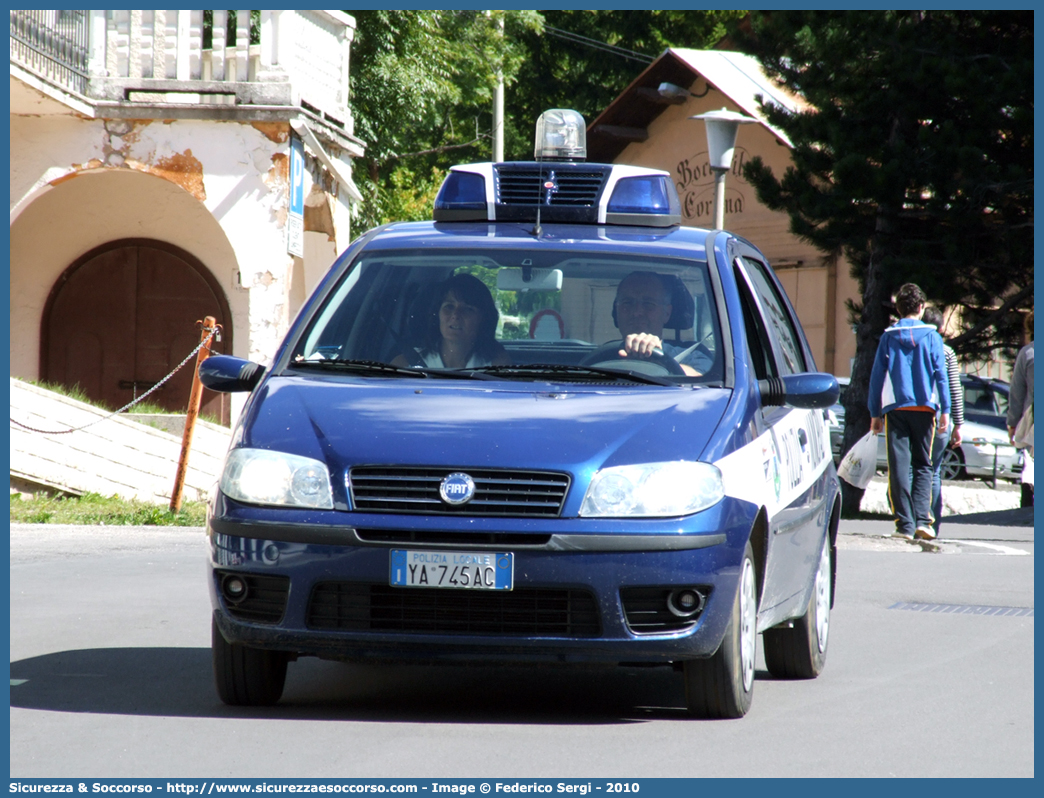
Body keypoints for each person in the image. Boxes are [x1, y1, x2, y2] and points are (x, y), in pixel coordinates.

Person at [867, 283, 951, 541]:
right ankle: (923, 521)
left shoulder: (888, 337)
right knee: (924, 465)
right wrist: (945, 409)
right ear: (921, 307)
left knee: (899, 466)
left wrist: (875, 412)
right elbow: (941, 375)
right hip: (925, 407)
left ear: (898, 309)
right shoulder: (932, 337)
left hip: (896, 408)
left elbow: (876, 376)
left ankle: (904, 524)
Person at [392, 273, 510, 369]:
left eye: (468, 309)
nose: (455, 315)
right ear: (437, 314)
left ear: (484, 319)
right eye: (449, 306)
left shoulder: (496, 367)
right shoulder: (404, 365)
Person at [613, 271, 712, 376]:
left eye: (648, 304)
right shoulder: (600, 355)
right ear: (616, 310)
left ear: (667, 313)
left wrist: (658, 363)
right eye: (627, 303)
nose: (637, 312)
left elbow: (703, 381)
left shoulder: (693, 353)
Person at [921, 306, 964, 536]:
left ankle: (915, 519)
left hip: (920, 413)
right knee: (934, 471)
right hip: (942, 419)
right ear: (940, 328)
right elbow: (954, 389)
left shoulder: (916, 349)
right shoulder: (947, 353)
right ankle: (933, 524)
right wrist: (959, 424)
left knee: (916, 469)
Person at [1007, 310, 1033, 506]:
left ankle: (1028, 500)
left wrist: (1012, 424)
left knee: (1031, 463)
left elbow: (1017, 392)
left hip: (1031, 417)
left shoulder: (1027, 353)